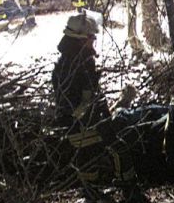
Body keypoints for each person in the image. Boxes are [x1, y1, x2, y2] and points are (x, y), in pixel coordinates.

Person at [52, 13, 136, 186]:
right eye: (91, 37)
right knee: (118, 149)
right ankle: (129, 191)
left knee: (87, 162)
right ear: (81, 40)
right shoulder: (82, 64)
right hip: (84, 125)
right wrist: (103, 121)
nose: (93, 41)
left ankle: (93, 195)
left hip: (73, 125)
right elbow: (87, 101)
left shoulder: (65, 63)